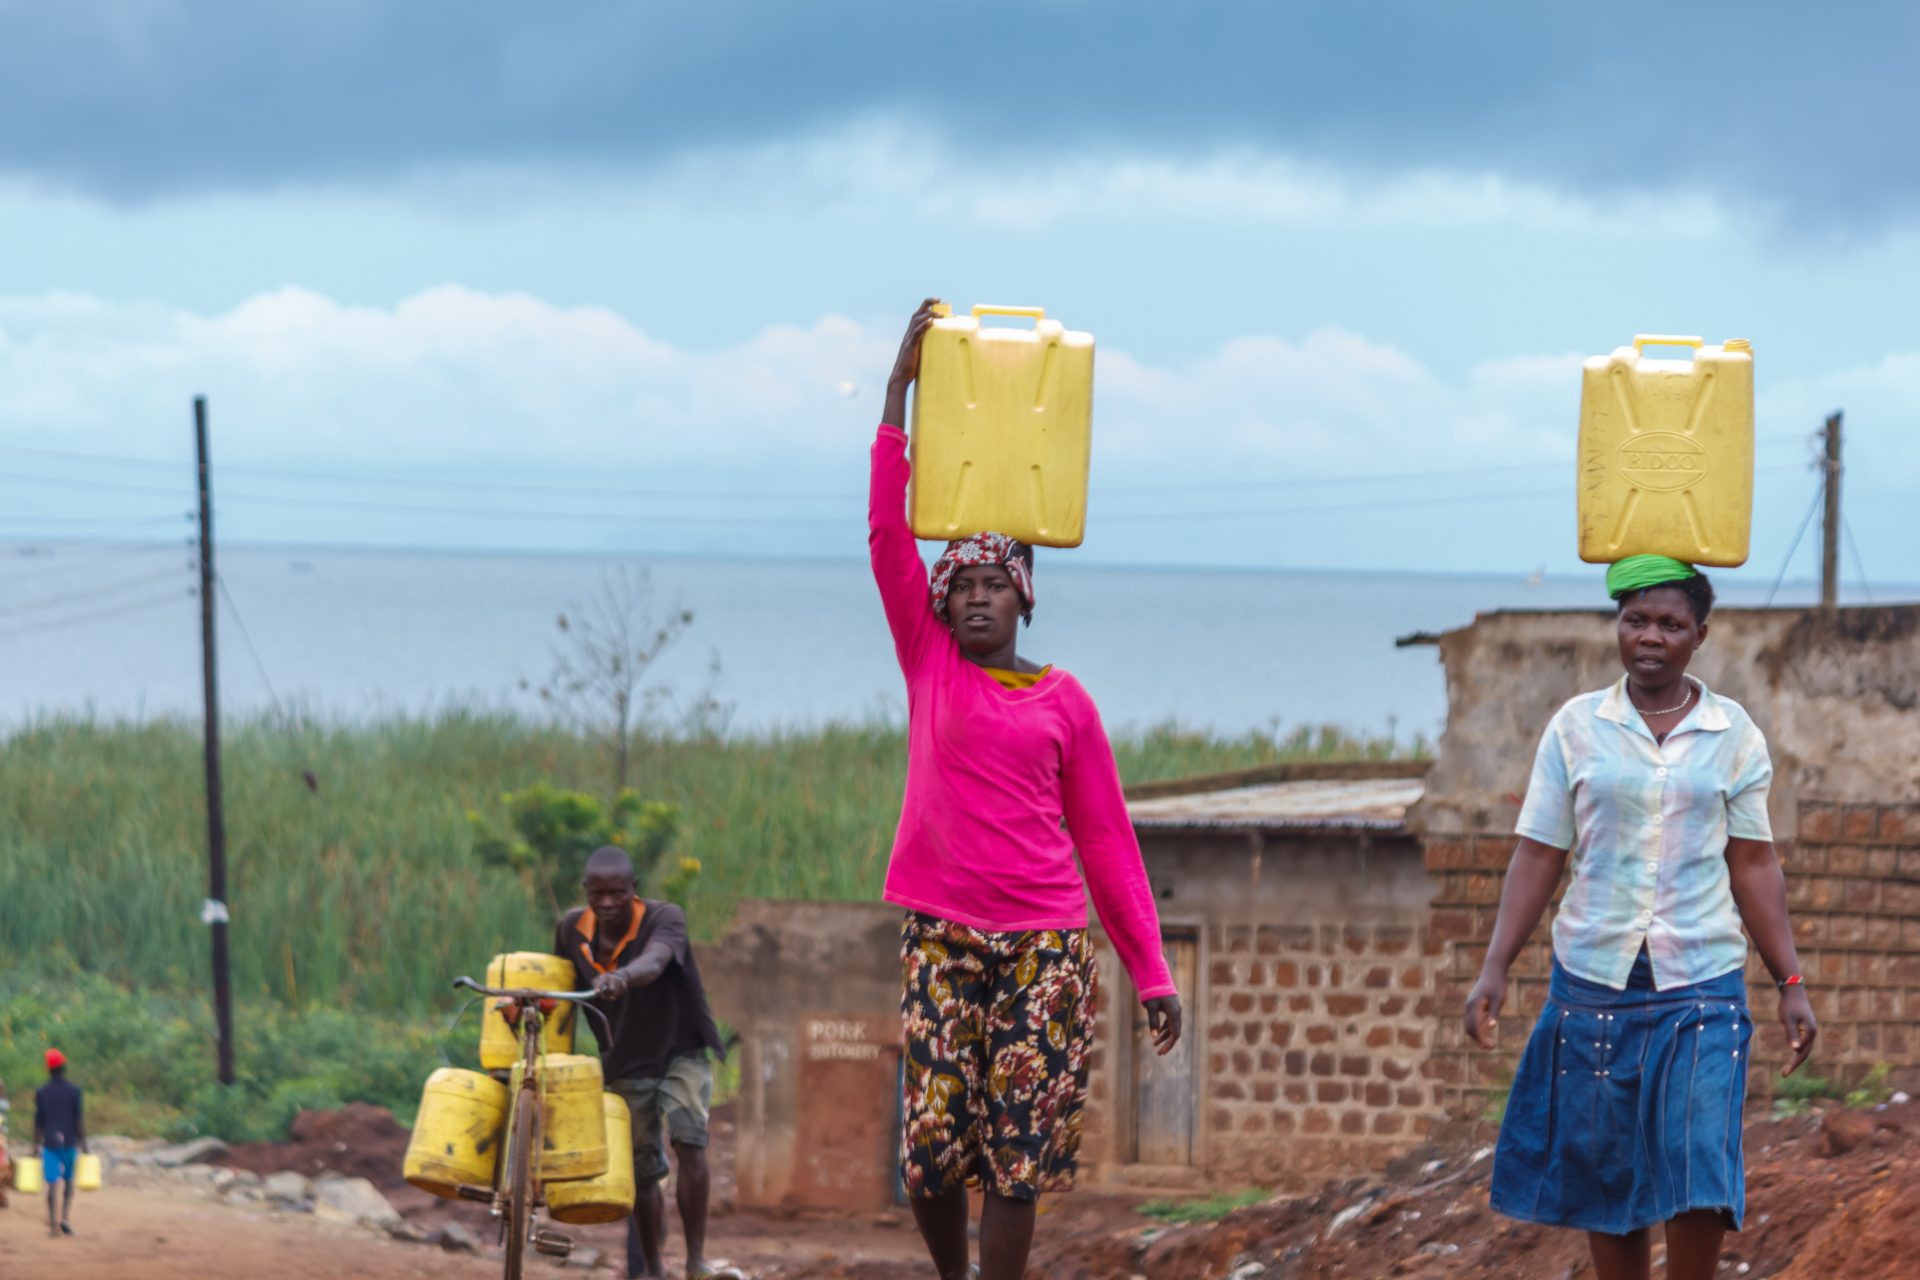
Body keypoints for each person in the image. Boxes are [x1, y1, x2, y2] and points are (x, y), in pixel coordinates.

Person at [871, 299, 1184, 1280]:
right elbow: (887, 534)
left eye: (991, 584)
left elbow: (1105, 840)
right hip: (942, 933)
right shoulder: (929, 664)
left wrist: (1152, 968)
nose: (971, 595)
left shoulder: (1067, 703)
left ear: (1024, 596)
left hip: (1046, 945)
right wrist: (897, 400)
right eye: (957, 583)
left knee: (1020, 1149)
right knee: (930, 1145)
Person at [1465, 555, 1818, 1280]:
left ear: (1700, 635)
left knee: (1698, 1163)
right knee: (1607, 1178)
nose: (1650, 636)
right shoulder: (1576, 729)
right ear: (1617, 627)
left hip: (1702, 982)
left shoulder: (1734, 735)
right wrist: (1494, 966)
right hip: (1594, 983)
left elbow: (1753, 864)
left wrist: (1790, 978)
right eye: (1635, 620)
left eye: (1670, 623)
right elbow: (1539, 853)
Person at [555, 845, 740, 1280]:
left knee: (689, 1141)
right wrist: (556, 1052)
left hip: (681, 1048)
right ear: (585, 891)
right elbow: (560, 989)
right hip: (626, 1057)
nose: (606, 903)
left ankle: (695, 1261)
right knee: (642, 1171)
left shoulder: (665, 917)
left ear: (633, 890)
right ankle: (654, 1269)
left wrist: (622, 976)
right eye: (597, 894)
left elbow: (656, 961)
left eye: (617, 893)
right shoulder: (570, 930)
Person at [33, 1048, 88, 1239]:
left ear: (49, 1070)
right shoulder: (74, 1091)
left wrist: (34, 1145)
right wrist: (85, 1143)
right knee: (69, 1180)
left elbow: (39, 1121)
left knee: (52, 1184)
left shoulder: (42, 1092)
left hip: (50, 1144)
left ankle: (53, 1226)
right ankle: (65, 1219)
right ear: (63, 1068)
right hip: (69, 1142)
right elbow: (78, 1119)